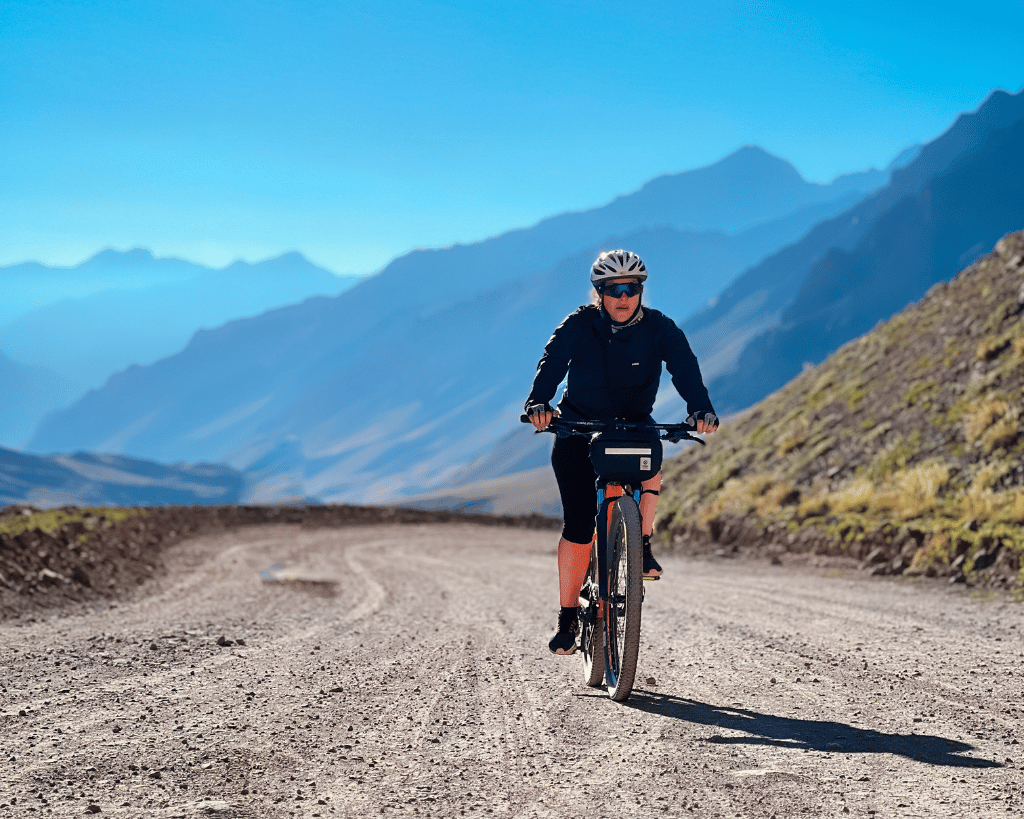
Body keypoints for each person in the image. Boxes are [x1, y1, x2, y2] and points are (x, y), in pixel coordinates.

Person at [524, 249, 719, 655]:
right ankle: (567, 617)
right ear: (600, 292)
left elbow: (684, 366)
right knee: (578, 526)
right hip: (578, 428)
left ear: (641, 291)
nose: (623, 297)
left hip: (632, 426)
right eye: (613, 290)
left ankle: (641, 543)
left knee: (651, 463)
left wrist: (700, 409)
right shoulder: (579, 324)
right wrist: (539, 403)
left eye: (631, 288)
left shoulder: (659, 328)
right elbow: (552, 362)